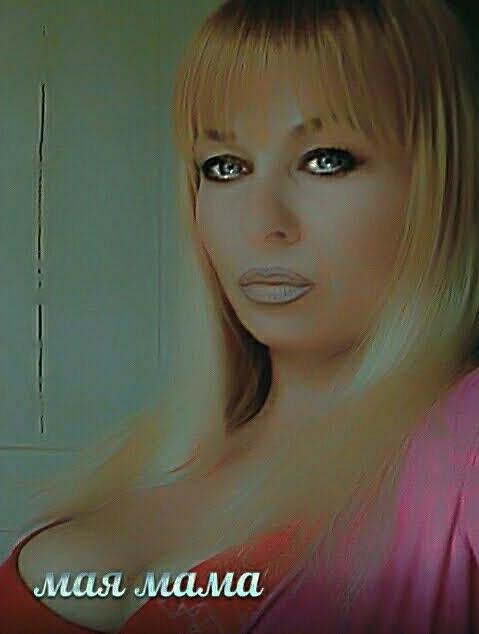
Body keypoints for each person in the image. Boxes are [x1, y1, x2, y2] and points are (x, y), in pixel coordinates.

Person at [1, 0, 478, 632]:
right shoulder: (158, 453)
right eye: (225, 167)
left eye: (326, 159)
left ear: (441, 182)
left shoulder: (462, 441)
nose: (261, 223)